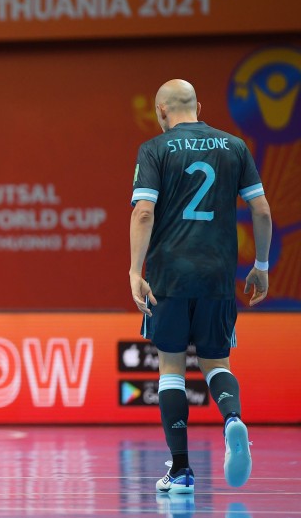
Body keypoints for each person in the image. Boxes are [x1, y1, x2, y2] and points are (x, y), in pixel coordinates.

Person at [129, 79, 272, 493]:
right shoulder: (234, 146)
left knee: (172, 368)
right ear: (198, 106)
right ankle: (232, 419)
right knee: (216, 363)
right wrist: (260, 265)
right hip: (217, 274)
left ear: (160, 112)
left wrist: (135, 270)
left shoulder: (154, 149)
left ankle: (181, 471)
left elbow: (143, 213)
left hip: (169, 275)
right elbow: (260, 210)